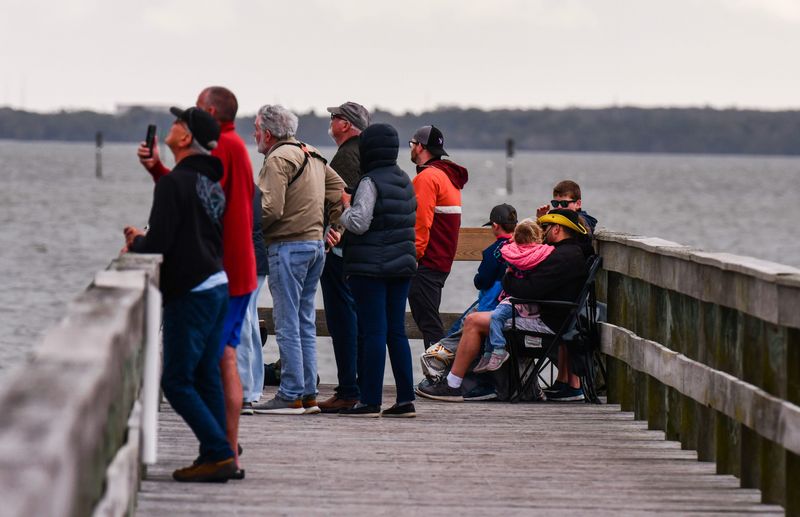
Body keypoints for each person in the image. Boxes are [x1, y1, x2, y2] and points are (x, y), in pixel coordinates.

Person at [137, 86, 255, 471]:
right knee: (206, 373)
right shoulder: (207, 182)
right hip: (217, 282)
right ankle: (219, 452)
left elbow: (163, 238)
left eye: (178, 122)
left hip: (197, 289)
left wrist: (136, 245)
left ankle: (220, 452)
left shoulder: (180, 182)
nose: (172, 126)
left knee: (178, 380)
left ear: (186, 137)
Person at [416, 209, 588, 402]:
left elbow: (525, 289)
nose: (544, 232)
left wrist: (508, 276)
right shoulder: (571, 253)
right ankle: (475, 381)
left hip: (547, 325)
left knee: (473, 321)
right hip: (555, 319)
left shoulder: (562, 257)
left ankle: (453, 385)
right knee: (482, 317)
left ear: (557, 229)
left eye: (546, 227)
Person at [251, 105, 346, 415]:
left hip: (288, 247)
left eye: (255, 129)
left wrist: (240, 229)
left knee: (287, 320)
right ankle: (308, 391)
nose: (254, 135)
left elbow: (271, 209)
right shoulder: (313, 153)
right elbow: (341, 193)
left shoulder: (278, 159)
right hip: (315, 247)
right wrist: (335, 228)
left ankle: (291, 391)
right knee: (304, 320)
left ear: (267, 132)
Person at [337, 123, 418, 417]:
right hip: (402, 266)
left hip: (370, 269)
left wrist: (345, 206)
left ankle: (370, 399)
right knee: (396, 331)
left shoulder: (369, 181)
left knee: (373, 332)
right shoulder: (405, 179)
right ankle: (405, 398)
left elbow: (359, 222)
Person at [318, 101, 370, 413]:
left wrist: (333, 230)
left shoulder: (347, 156)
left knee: (342, 319)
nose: (332, 120)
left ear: (347, 125)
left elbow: (340, 203)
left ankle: (348, 388)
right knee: (361, 319)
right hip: (362, 252)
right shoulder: (367, 153)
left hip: (341, 250)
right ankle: (361, 385)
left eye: (335, 117)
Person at [407, 125, 469, 348]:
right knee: (429, 318)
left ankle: (439, 374)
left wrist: (414, 256)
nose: (411, 149)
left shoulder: (427, 178)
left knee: (428, 323)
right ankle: (441, 374)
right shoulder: (448, 176)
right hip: (442, 260)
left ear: (421, 147)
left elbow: (421, 222)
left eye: (412, 144)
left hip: (426, 262)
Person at [473, 219, 554, 373]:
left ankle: (498, 350)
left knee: (495, 317)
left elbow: (481, 280)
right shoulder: (544, 254)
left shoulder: (515, 255)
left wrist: (509, 276)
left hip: (521, 302)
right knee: (492, 318)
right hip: (521, 301)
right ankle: (488, 353)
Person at [239, 186, 269, 415]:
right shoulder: (254, 188)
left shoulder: (235, 187)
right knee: (250, 320)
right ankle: (255, 386)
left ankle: (245, 391)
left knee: (243, 324)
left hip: (244, 258)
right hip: (258, 257)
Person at [474, 203, 517, 312]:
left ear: (495, 225)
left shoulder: (492, 251)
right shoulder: (524, 246)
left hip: (493, 306)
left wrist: (476, 279)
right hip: (516, 305)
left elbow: (483, 281)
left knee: (461, 324)